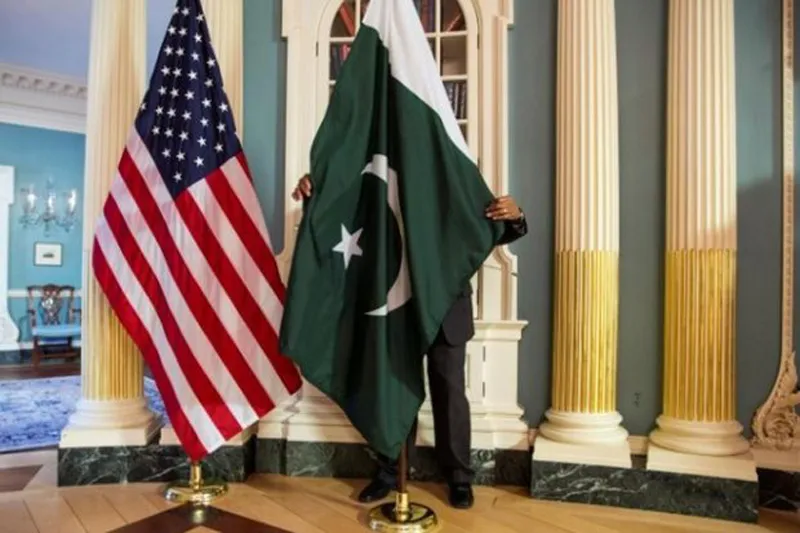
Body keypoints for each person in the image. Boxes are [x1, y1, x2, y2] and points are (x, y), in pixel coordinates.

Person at [292, 174, 528, 509]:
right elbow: (345, 213)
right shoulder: (385, 174)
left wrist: (516, 215)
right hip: (398, 307)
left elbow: (494, 227)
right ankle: (391, 472)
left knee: (449, 391)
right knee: (395, 391)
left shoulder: (452, 174)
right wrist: (317, 191)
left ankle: (458, 477)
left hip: (447, 307)